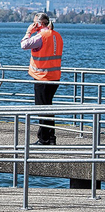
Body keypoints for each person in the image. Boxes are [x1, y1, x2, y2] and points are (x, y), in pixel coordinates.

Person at [21, 12, 63, 145]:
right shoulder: (57, 35)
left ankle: (44, 139)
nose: (33, 25)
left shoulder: (41, 36)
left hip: (42, 78)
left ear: (39, 24)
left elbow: (24, 45)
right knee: (48, 108)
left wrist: (29, 32)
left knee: (42, 109)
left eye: (34, 23)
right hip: (54, 77)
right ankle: (50, 138)